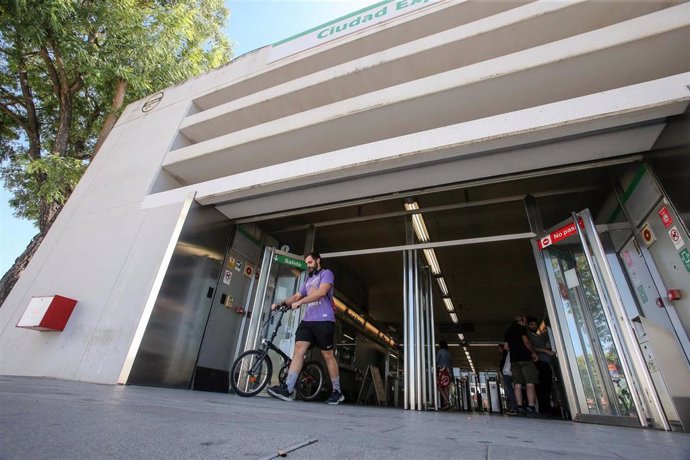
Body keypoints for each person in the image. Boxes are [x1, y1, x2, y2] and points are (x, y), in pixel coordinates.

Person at [266, 251, 344, 405]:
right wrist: (282, 304)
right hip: (308, 320)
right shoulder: (308, 279)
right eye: (306, 263)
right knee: (298, 350)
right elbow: (296, 296)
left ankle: (337, 391)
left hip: (324, 320)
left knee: (328, 355)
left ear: (318, 260)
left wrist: (301, 303)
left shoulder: (327, 274)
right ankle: (287, 389)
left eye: (310, 262)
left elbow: (321, 293)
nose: (308, 265)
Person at [503, 315, 540, 417]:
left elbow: (506, 347)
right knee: (529, 383)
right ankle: (531, 407)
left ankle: (519, 407)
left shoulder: (508, 331)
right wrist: (533, 352)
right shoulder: (522, 329)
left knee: (517, 384)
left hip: (514, 360)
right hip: (525, 359)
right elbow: (526, 342)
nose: (525, 323)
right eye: (525, 321)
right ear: (522, 321)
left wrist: (514, 350)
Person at [527, 316, 556, 415]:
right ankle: (543, 408)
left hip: (545, 362)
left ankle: (546, 407)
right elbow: (531, 347)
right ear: (528, 325)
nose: (534, 326)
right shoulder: (529, 335)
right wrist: (545, 350)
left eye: (535, 324)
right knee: (542, 387)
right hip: (539, 363)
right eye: (532, 324)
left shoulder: (537, 335)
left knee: (547, 386)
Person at [498, 343, 518, 415]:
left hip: (509, 373)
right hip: (507, 373)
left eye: (500, 348)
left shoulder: (507, 353)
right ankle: (516, 406)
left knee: (510, 389)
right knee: (511, 389)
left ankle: (516, 407)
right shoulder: (506, 354)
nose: (499, 350)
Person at [436, 340, 452, 410]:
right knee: (446, 387)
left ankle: (447, 402)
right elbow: (450, 363)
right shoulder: (449, 353)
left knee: (439, 387)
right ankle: (446, 404)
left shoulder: (440, 351)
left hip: (442, 371)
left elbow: (436, 361)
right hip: (448, 371)